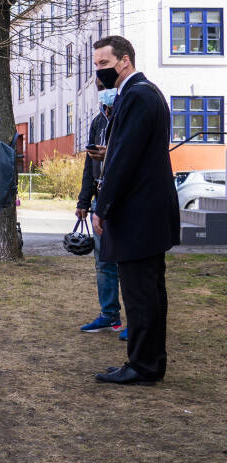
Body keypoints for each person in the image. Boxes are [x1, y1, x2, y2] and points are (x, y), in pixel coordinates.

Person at [90, 35, 180, 385]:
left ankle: (142, 365)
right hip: (148, 211)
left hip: (138, 213)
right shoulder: (145, 93)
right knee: (150, 291)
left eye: (103, 64)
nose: (99, 71)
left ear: (124, 61)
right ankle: (149, 361)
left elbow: (125, 158)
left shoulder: (137, 95)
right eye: (96, 64)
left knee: (142, 293)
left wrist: (103, 206)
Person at [76, 82, 121, 335]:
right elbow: (88, 164)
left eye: (107, 86)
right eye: (100, 87)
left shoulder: (125, 115)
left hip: (123, 198)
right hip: (99, 198)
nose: (103, 91)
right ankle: (109, 315)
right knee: (103, 260)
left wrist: (110, 154)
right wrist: (84, 201)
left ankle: (136, 321)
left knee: (126, 261)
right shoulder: (97, 121)